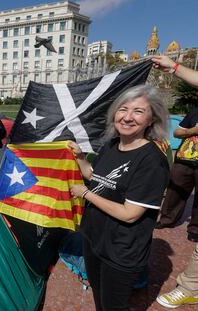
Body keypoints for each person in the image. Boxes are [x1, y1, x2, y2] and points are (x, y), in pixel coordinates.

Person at [70, 85, 170, 311]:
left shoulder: (152, 161)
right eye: (123, 109)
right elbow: (97, 178)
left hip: (121, 250)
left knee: (113, 305)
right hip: (94, 238)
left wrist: (85, 193)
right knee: (98, 293)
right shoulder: (111, 145)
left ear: (151, 119)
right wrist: (81, 157)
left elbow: (130, 214)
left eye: (138, 111)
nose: (127, 117)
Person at [152, 55, 198, 308]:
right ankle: (191, 286)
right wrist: (174, 67)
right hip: (186, 161)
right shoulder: (194, 113)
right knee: (174, 193)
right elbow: (179, 131)